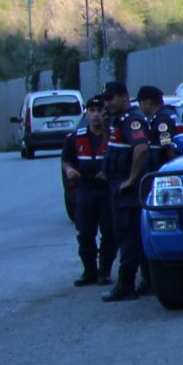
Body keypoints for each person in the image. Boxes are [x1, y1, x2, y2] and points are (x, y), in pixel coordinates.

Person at [102, 83, 174, 302]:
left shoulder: (139, 120)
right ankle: (148, 281)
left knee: (128, 235)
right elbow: (114, 147)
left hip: (130, 189)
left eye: (111, 99)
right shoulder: (119, 121)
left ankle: (126, 284)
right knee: (128, 233)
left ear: (125, 97)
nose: (107, 103)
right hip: (120, 186)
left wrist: (132, 180)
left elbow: (147, 149)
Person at [62, 99, 113, 286]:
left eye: (100, 110)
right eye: (92, 110)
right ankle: (89, 271)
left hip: (106, 190)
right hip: (85, 188)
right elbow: (67, 160)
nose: (96, 114)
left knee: (110, 231)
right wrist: (69, 170)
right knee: (84, 231)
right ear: (87, 113)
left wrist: (109, 174)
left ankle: (104, 271)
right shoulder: (75, 137)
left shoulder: (113, 137)